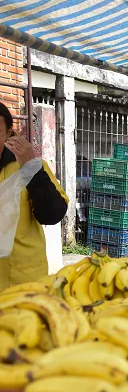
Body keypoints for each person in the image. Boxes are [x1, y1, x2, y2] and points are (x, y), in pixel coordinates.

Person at [0, 102, 68, 290]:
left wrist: (33, 170)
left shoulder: (29, 167)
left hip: (25, 282)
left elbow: (53, 214)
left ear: (8, 134)